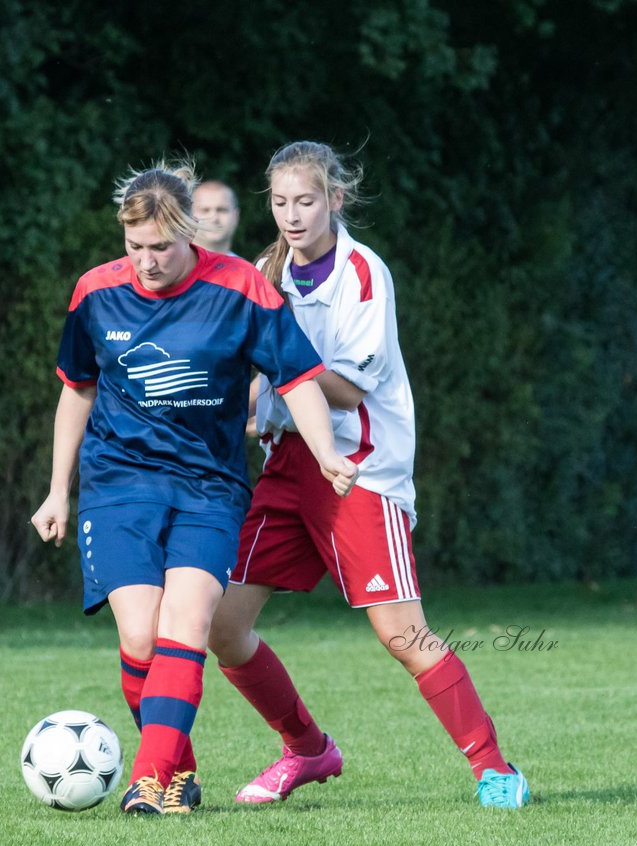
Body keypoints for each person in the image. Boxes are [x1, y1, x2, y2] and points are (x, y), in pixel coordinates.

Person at [206, 141, 530, 810]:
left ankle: (495, 767)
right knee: (221, 623)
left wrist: (280, 357)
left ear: (335, 199)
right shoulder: (268, 266)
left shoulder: (362, 274)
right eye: (280, 201)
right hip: (288, 465)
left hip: (359, 471)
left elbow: (348, 392)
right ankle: (306, 748)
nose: (292, 215)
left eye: (307, 200)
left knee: (402, 635)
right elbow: (257, 365)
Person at [30, 160, 357, 816]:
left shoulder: (240, 288)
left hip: (209, 486)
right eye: (135, 248)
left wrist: (325, 452)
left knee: (188, 619)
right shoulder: (95, 291)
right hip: (118, 482)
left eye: (162, 248)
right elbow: (77, 389)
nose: (147, 263)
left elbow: (298, 378)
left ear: (193, 237)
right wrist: (56, 489)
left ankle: (150, 778)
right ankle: (176, 766)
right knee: (142, 639)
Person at [191, 180, 241, 256]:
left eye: (222, 210)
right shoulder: (173, 265)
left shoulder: (246, 267)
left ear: (236, 217)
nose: (214, 219)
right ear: (190, 217)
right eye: (205, 210)